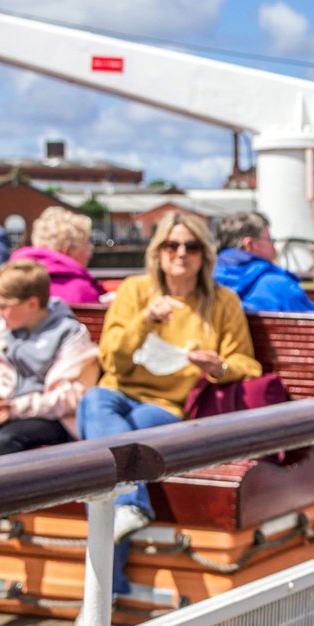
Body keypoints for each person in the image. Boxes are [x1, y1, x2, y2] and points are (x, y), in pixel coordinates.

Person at [76, 211, 260, 543]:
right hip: (118, 393)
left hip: (170, 406)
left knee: (103, 455)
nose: (180, 254)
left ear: (204, 254)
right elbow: (112, 359)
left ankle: (112, 581)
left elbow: (248, 363)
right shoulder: (135, 292)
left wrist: (219, 368)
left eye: (191, 247)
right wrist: (145, 319)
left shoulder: (222, 302)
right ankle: (129, 505)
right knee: (94, 400)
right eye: (171, 245)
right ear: (158, 251)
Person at [0, 259, 99, 589]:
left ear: (32, 303)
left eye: (5, 304)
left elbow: (72, 396)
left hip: (46, 419)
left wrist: (15, 407)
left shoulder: (71, 334)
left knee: (6, 442)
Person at [212, 210, 314, 380]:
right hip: (282, 387)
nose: (274, 247)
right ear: (250, 245)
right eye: (270, 240)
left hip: (223, 384)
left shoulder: (206, 285)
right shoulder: (278, 286)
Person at [11, 206, 106, 303]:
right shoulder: (81, 291)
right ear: (67, 251)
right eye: (87, 245)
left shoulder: (12, 280)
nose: (89, 255)